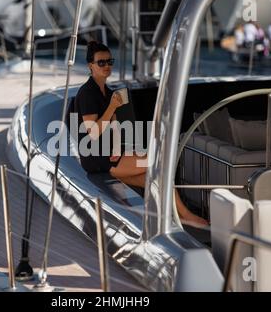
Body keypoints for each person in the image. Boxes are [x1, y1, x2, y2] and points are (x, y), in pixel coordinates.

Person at [74, 41, 208, 227]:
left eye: (109, 61)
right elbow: (93, 132)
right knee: (155, 164)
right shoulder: (87, 94)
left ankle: (173, 217)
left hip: (111, 154)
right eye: (101, 63)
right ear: (90, 66)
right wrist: (113, 105)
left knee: (151, 178)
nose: (107, 66)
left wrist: (116, 146)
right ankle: (184, 215)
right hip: (96, 158)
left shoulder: (109, 92)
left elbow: (115, 125)